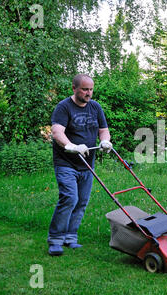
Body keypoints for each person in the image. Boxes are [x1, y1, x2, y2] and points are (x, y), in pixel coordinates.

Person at [47, 74, 112, 256]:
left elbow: (103, 130)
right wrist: (72, 146)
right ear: (74, 88)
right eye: (84, 89)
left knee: (82, 202)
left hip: (87, 164)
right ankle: (55, 240)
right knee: (69, 198)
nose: (88, 93)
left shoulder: (95, 107)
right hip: (66, 162)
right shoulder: (63, 107)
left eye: (90, 89)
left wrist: (105, 141)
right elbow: (57, 132)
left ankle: (70, 238)